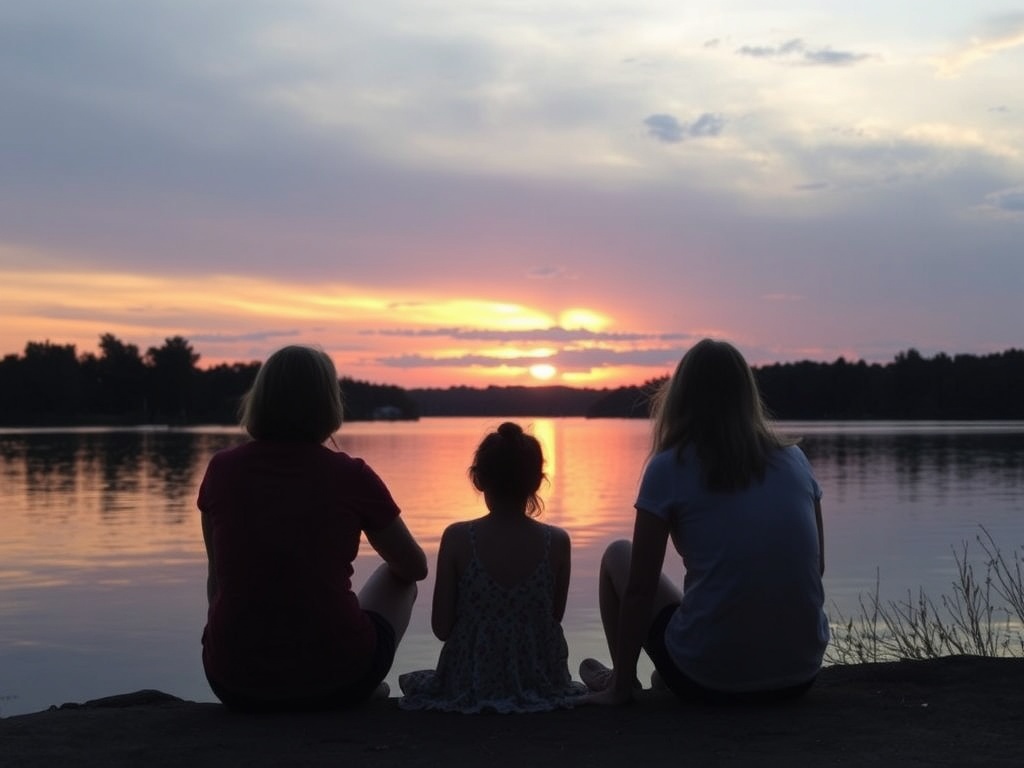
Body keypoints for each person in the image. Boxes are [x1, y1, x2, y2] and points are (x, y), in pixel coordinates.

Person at [581, 338, 828, 706]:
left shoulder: (670, 466)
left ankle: (621, 685)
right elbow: (817, 566)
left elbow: (639, 590)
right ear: (747, 394)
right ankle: (666, 672)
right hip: (799, 674)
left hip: (710, 680)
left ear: (680, 396)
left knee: (618, 554)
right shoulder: (794, 459)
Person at [199, 345, 428, 712]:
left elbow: (216, 585)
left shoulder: (221, 470)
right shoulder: (351, 475)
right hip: (337, 677)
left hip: (232, 682)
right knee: (398, 577)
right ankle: (361, 687)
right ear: (328, 402)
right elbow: (415, 567)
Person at [399, 421, 585, 713]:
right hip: (539, 681)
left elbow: (441, 628)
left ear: (478, 479)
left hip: (470, 682)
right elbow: (553, 618)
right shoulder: (558, 541)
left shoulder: (458, 538)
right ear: (537, 481)